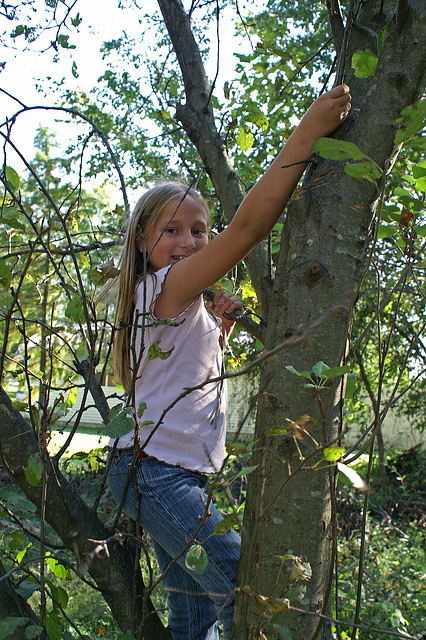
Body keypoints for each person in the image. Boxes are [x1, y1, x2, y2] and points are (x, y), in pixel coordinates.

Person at [107, 84, 352, 640]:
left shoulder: (169, 302)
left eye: (199, 230)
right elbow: (247, 229)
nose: (191, 241)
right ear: (144, 244)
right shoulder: (163, 285)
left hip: (173, 476)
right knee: (246, 588)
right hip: (158, 477)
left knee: (195, 622)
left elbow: (176, 377)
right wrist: (308, 131)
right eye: (172, 231)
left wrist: (217, 330)